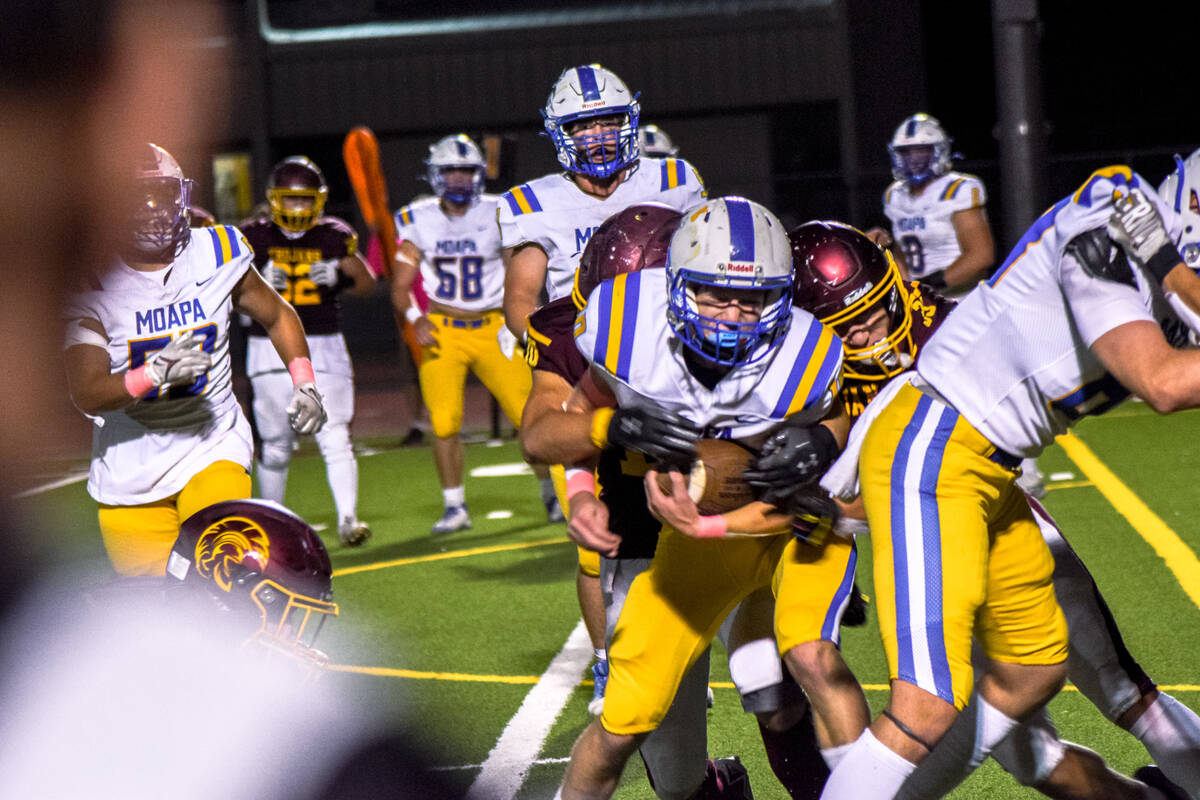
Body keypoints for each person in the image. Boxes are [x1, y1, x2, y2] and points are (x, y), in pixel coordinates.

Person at [818, 166, 1200, 800]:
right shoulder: (1100, 240)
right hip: (933, 450)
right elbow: (1162, 382)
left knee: (1033, 668)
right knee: (927, 704)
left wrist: (1171, 268)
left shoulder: (1150, 247)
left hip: (988, 468)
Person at [536, 197, 848, 799]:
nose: (732, 315)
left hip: (749, 530)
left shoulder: (799, 355)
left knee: (774, 683)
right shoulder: (617, 331)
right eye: (713, 295)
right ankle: (718, 788)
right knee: (666, 762)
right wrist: (588, 476)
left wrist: (820, 444)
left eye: (753, 298)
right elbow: (548, 430)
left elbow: (838, 426)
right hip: (650, 546)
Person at [64, 143, 328, 577]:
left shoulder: (216, 250)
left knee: (228, 583)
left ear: (182, 196)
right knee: (158, 622)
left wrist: (304, 380)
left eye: (162, 196)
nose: (152, 210)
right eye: (136, 200)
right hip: (131, 471)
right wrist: (150, 375)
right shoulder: (91, 278)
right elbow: (87, 391)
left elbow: (278, 313)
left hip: (213, 444)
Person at [391, 133, 562, 534]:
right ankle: (455, 506)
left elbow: (519, 272)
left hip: (492, 326)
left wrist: (515, 318)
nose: (458, 179)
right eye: (450, 171)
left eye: (466, 171)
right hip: (444, 329)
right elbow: (400, 285)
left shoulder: (498, 210)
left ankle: (550, 491)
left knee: (530, 416)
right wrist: (416, 317)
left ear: (479, 174)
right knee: (445, 421)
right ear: (434, 175)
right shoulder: (418, 216)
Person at [499, 63, 707, 346]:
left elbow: (705, 260)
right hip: (581, 343)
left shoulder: (672, 181)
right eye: (584, 126)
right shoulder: (534, 203)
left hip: (664, 336)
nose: (599, 136)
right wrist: (548, 347)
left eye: (609, 122)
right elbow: (520, 296)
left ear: (627, 122)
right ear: (562, 134)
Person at [240, 156, 375, 546]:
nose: (298, 208)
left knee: (335, 438)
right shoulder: (254, 237)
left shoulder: (333, 235)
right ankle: (270, 524)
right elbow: (225, 295)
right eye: (290, 200)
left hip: (324, 344)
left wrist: (340, 275)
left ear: (318, 200)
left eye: (304, 200)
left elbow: (367, 283)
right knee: (276, 444)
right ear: (274, 199)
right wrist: (257, 283)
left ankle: (348, 518)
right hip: (267, 346)